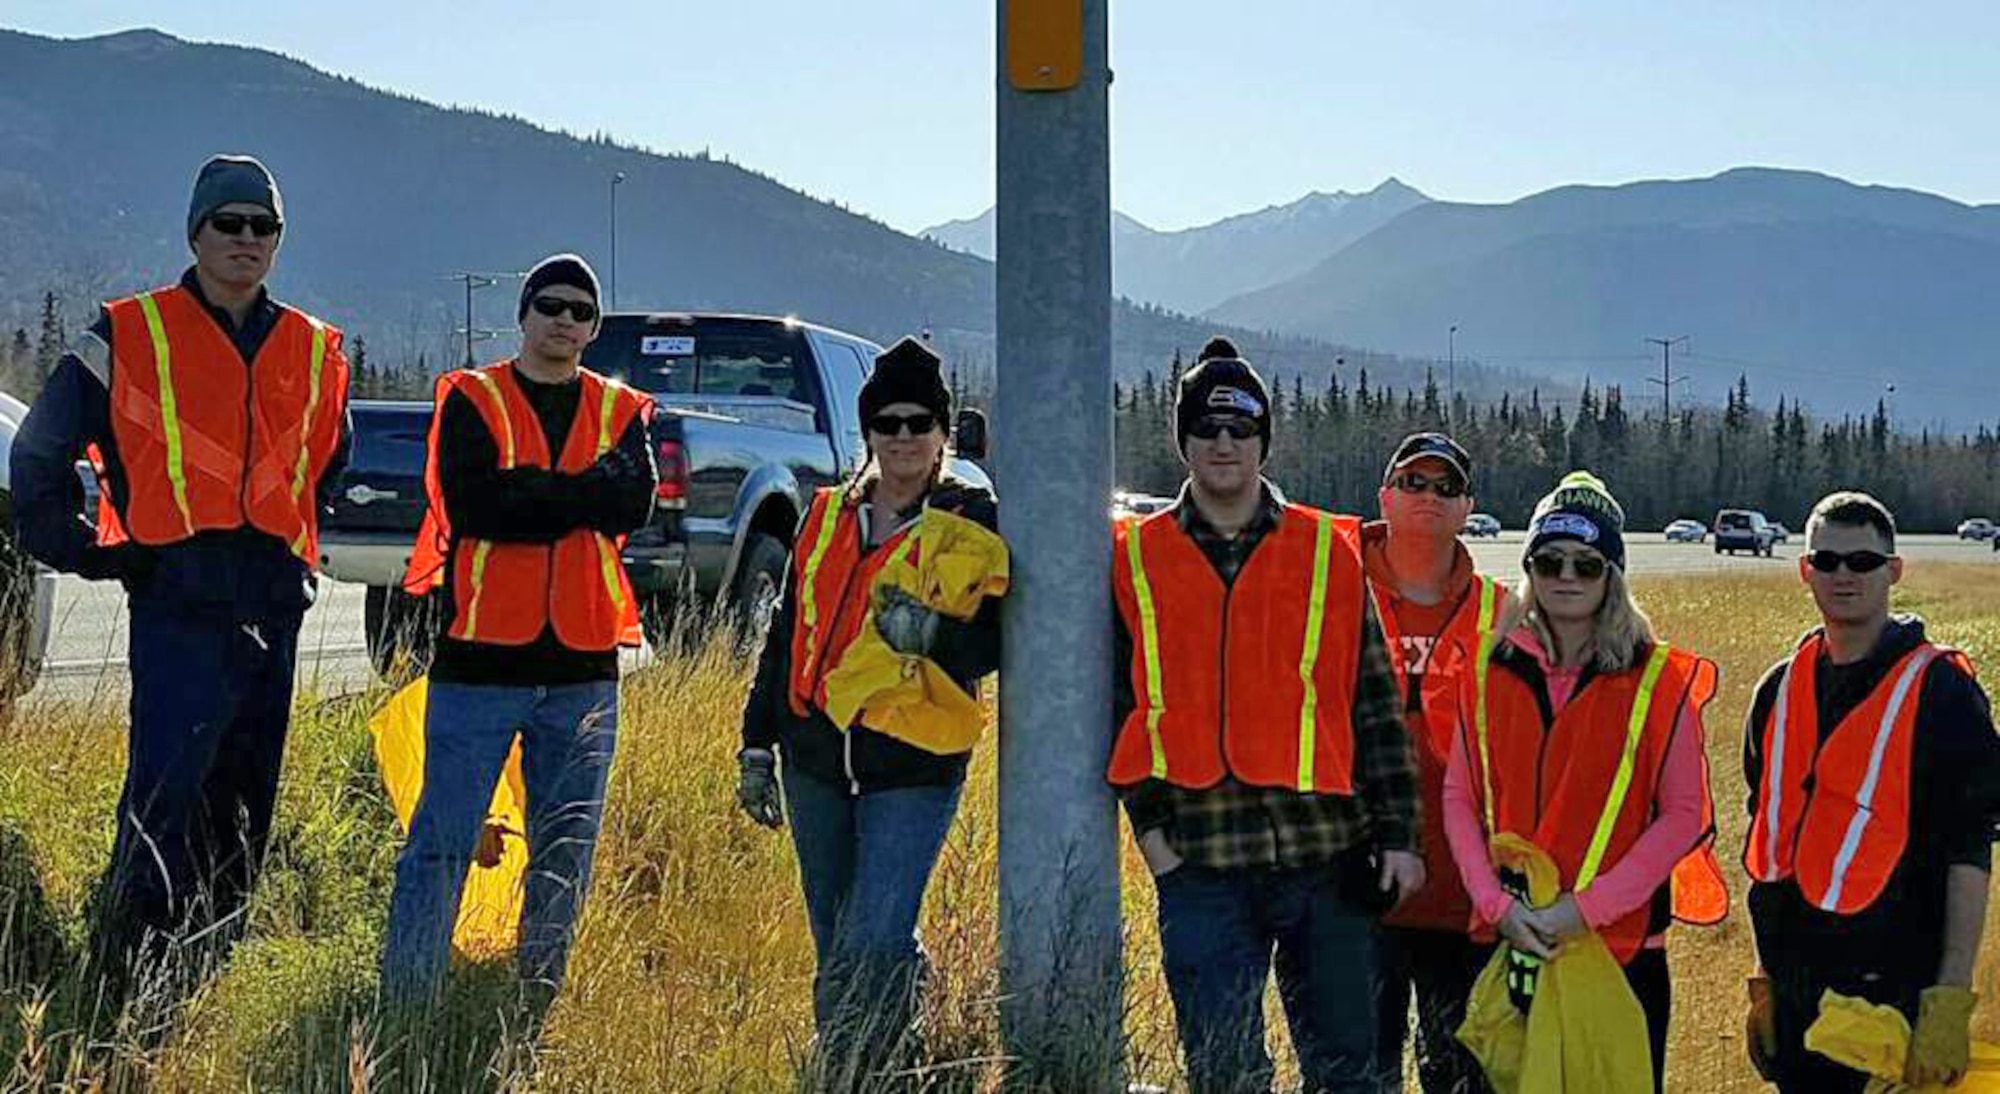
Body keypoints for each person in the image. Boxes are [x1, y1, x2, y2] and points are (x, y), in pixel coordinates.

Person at [11, 154, 351, 990]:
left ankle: (213, 966)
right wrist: (86, 547)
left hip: (272, 597)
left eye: (261, 226)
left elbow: (328, 464)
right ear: (195, 232)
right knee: (166, 787)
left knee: (246, 794)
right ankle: (130, 970)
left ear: (278, 241)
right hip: (176, 594)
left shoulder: (314, 347)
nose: (245, 239)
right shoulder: (131, 332)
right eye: (227, 223)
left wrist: (293, 548)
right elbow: (40, 454)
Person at [1109, 336, 1423, 1094]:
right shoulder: (1135, 556)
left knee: (1349, 1073)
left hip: (1327, 857)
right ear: (1182, 439)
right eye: (1208, 428)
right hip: (1204, 864)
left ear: (1263, 441)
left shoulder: (1326, 550)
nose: (1224, 443)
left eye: (1241, 428)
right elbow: (1117, 705)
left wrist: (1401, 838)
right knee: (1224, 1075)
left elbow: (1376, 702)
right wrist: (1154, 839)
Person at [381, 253, 657, 1008]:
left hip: (584, 666)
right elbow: (478, 508)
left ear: (594, 327)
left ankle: (536, 998)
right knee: (443, 842)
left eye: (580, 311)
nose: (565, 321)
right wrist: (579, 497)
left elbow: (631, 503)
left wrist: (535, 497)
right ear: (524, 315)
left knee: (566, 847)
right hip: (481, 662)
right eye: (551, 306)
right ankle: (408, 999)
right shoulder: (473, 398)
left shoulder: (621, 410)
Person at [734, 336, 1004, 1082]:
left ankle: (856, 1069)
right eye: (888, 422)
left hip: (914, 766)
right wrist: (757, 744)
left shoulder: (968, 523)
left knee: (873, 936)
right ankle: (882, 1058)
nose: (905, 437)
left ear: (945, 432)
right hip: (814, 760)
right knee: (840, 941)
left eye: (921, 422)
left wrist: (937, 638)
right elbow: (786, 636)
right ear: (869, 431)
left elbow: (998, 642)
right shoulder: (823, 517)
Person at [1443, 471, 1725, 1094]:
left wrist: (1583, 911)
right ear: (1530, 570)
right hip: (1511, 941)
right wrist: (1496, 907)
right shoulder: (1487, 669)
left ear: (1613, 574)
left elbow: (1682, 817)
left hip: (1621, 949)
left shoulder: (1658, 679)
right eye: (1549, 562)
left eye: (1586, 564)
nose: (1566, 577)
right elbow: (1460, 798)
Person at [1742, 491, 2000, 1092]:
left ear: (1893, 570)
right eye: (1827, 561)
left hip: (1892, 994)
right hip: (1798, 994)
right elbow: (1769, 838)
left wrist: (1948, 1001)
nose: (1844, 575)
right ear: (1806, 570)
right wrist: (1763, 979)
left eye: (1862, 561)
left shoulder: (1943, 694)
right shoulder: (1777, 691)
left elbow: (1969, 852)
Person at [1364, 433, 1505, 1094]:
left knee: (1459, 1078)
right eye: (1414, 482)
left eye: (1446, 487)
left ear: (1468, 505)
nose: (1428, 497)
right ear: (1385, 495)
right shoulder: (1332, 590)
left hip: (1462, 899)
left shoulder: (1504, 615)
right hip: (1353, 892)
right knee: (1353, 1077)